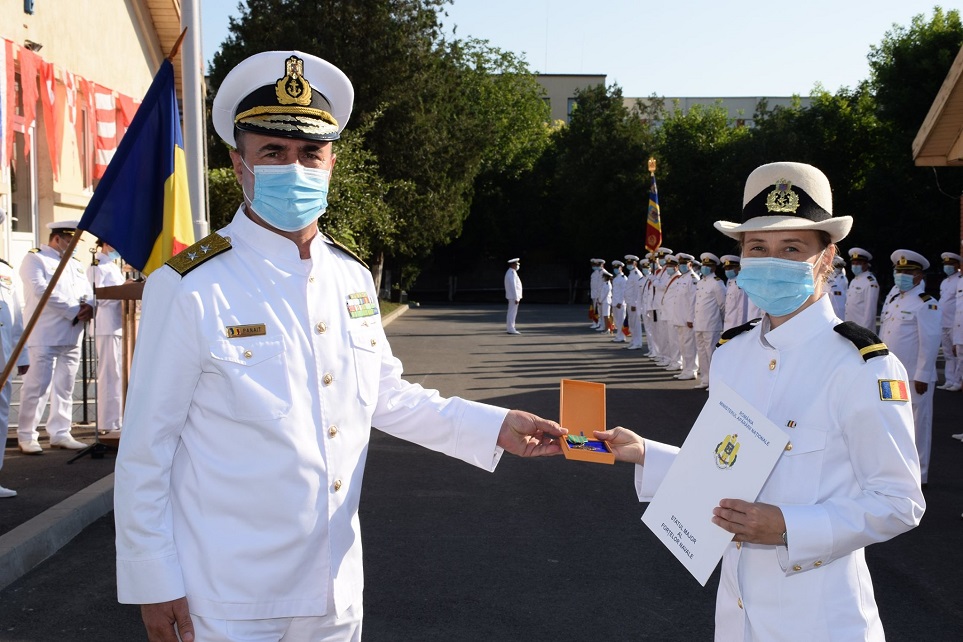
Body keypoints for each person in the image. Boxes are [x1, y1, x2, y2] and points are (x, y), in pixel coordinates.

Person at [113, 51, 567, 642]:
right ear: (238, 164)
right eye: (272, 152)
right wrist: (153, 581)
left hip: (333, 591)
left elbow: (385, 395)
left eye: (310, 152)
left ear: (331, 162)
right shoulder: (190, 285)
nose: (294, 167)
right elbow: (147, 448)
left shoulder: (349, 276)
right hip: (224, 596)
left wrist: (495, 426)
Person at [596, 161, 924, 640]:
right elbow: (725, 465)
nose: (773, 260)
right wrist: (646, 453)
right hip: (737, 616)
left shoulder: (862, 367)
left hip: (822, 622)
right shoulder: (733, 354)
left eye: (791, 248)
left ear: (826, 258)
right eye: (757, 248)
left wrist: (790, 526)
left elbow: (899, 501)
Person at [17, 220, 94, 454]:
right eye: (70, 241)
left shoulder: (75, 264)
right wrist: (74, 310)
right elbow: (42, 291)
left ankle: (60, 432)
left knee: (65, 387)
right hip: (45, 333)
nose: (74, 246)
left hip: (73, 333)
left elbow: (88, 291)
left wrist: (91, 306)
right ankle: (27, 434)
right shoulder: (35, 259)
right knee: (37, 386)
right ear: (57, 238)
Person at [879, 249, 940, 485]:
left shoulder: (926, 304)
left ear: (918, 276)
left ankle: (919, 474)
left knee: (918, 425)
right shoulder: (896, 300)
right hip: (892, 374)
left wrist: (923, 374)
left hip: (914, 377)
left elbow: (930, 341)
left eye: (907, 272)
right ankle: (898, 470)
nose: (901, 275)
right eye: (899, 271)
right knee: (895, 421)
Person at [0, 207, 28, 496]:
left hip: (3, 358)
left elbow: (16, 317)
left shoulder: (5, 270)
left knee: (0, 418)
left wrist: (23, 355)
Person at [87, 240, 127, 433]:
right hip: (106, 325)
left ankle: (116, 420)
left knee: (118, 374)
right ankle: (108, 422)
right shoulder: (97, 266)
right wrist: (123, 289)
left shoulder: (112, 266)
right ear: (105, 244)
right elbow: (96, 297)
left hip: (119, 325)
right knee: (110, 375)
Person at [693, 252, 725, 389]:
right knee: (701, 352)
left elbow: (723, 305)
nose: (705, 268)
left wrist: (720, 322)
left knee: (711, 353)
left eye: (708, 266)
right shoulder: (701, 282)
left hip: (711, 324)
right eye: (704, 265)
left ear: (713, 268)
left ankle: (715, 382)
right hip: (699, 323)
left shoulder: (717, 283)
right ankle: (705, 379)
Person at [938, 251, 962, 390]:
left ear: (957, 265)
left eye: (950, 264)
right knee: (947, 354)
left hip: (955, 323)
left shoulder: (960, 280)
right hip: (943, 322)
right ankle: (949, 379)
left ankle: (958, 381)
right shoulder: (944, 282)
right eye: (946, 264)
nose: (947, 267)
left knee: (957, 353)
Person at [843, 247, 880, 332]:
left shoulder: (870, 282)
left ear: (866, 264)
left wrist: (865, 333)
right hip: (850, 326)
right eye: (853, 263)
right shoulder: (854, 280)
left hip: (861, 329)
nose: (855, 266)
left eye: (858, 263)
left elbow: (870, 312)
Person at [720, 254, 747, 332]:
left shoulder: (741, 282)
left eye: (730, 268)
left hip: (736, 325)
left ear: (738, 268)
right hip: (728, 324)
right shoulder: (729, 281)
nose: (728, 271)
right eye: (726, 268)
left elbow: (742, 307)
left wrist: (740, 328)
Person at [610, 260, 628, 342]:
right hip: (615, 302)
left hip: (620, 303)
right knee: (617, 321)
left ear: (621, 268)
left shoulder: (623, 278)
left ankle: (622, 337)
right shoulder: (616, 278)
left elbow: (624, 291)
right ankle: (618, 336)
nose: (615, 269)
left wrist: (620, 302)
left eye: (617, 268)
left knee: (621, 320)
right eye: (614, 268)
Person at [504, 257, 522, 335]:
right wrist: (516, 297)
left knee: (512, 312)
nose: (517, 266)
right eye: (516, 264)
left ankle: (510, 328)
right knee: (512, 313)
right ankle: (511, 329)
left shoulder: (511, 272)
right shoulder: (511, 273)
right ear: (513, 264)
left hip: (512, 296)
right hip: (513, 296)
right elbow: (513, 286)